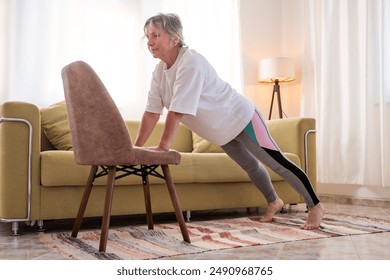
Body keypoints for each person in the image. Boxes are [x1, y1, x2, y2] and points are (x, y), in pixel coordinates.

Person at [135, 13, 325, 230]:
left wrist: (163, 147)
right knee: (250, 166)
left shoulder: (190, 62)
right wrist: (137, 148)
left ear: (175, 38)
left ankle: (315, 205)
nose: (149, 42)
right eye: (147, 36)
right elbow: (151, 112)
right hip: (221, 130)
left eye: (155, 35)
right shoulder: (159, 72)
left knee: (276, 161)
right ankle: (274, 201)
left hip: (241, 117)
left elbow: (176, 111)